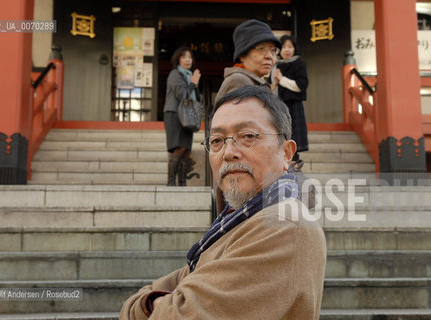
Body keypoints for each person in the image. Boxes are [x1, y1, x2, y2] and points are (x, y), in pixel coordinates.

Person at [119, 86, 327, 320]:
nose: (228, 152)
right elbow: (174, 288)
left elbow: (178, 315)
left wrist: (147, 304)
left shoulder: (286, 226)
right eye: (217, 140)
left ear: (286, 153)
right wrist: (150, 303)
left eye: (248, 136)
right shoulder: (234, 222)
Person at [214, 19, 281, 102]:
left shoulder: (253, 81)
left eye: (273, 50)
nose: (269, 56)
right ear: (242, 55)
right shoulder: (238, 81)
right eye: (261, 49)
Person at [163, 46, 201, 186]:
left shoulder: (189, 76)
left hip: (188, 116)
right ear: (178, 59)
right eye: (184, 57)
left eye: (190, 57)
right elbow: (182, 95)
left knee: (186, 150)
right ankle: (171, 183)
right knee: (178, 148)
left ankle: (183, 183)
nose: (187, 60)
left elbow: (197, 98)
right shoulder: (175, 74)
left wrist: (194, 85)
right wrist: (193, 83)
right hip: (174, 115)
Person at [273, 35, 309, 163]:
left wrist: (282, 79)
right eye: (283, 47)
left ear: (294, 48)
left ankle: (293, 163)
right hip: (278, 106)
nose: (286, 50)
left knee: (293, 138)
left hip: (294, 106)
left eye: (289, 46)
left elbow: (301, 86)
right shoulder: (275, 65)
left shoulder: (299, 63)